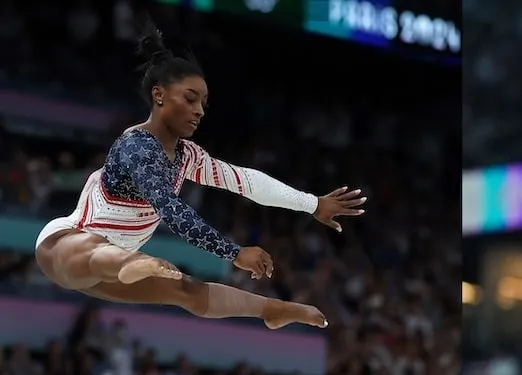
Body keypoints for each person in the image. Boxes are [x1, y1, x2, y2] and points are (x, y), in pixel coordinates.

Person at [33, 25, 367, 329]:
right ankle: (128, 261)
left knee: (187, 290)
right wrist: (233, 252)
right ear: (159, 96)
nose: (200, 111)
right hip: (64, 246)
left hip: (116, 270)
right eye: (190, 99)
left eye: (204, 103)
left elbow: (246, 181)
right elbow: (171, 210)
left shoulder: (187, 156)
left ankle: (273, 309)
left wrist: (312, 204)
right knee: (94, 248)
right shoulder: (135, 148)